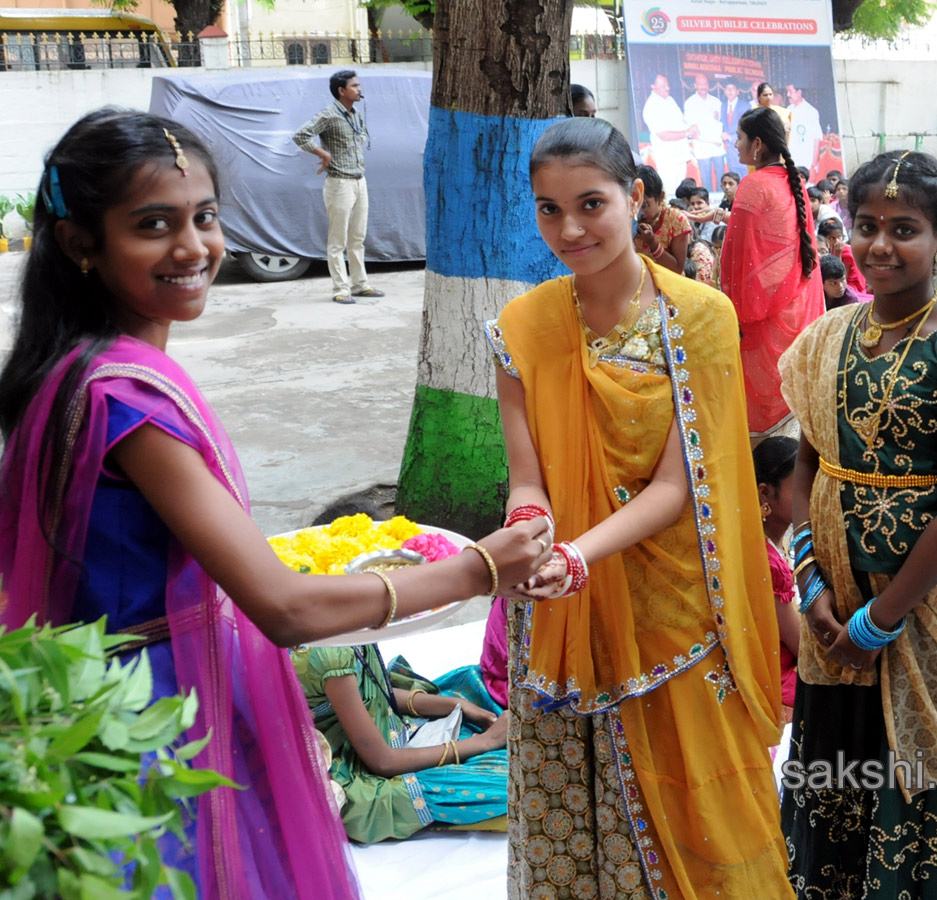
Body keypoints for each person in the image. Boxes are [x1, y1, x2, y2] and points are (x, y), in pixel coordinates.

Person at [0, 109, 553, 899]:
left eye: (205, 217)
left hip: (116, 692)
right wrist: (475, 572)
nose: (192, 248)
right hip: (155, 713)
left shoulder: (71, 370)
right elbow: (284, 609)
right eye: (153, 225)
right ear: (82, 243)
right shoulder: (127, 402)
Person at [486, 116, 792, 899]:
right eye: (549, 210)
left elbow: (674, 488)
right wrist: (531, 528)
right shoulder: (524, 329)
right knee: (574, 814)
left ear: (636, 196)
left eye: (591, 203)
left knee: (708, 821)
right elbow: (528, 478)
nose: (571, 228)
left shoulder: (698, 319)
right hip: (562, 613)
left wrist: (577, 555)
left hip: (676, 609)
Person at [777, 148, 937, 898]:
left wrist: (879, 620)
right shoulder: (828, 337)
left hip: (924, 605)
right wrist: (812, 584)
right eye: (867, 225)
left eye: (904, 229)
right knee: (839, 765)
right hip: (832, 598)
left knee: (924, 770)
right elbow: (809, 469)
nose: (879, 245)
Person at [292, 637, 509, 842]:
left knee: (470, 682)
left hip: (391, 729)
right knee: (510, 782)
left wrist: (457, 705)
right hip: (356, 771)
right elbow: (383, 762)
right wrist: (485, 742)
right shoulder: (329, 653)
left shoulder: (346, 627)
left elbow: (374, 691)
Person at [717, 106, 823, 437]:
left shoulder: (754, 184)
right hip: (797, 313)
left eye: (739, 138)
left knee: (763, 442)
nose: (735, 145)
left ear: (757, 144)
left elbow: (739, 257)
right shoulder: (794, 184)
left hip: (763, 323)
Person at [292, 70, 384, 305]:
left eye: (359, 85)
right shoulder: (330, 114)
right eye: (354, 86)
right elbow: (301, 135)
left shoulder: (355, 115)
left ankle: (360, 285)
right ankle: (340, 288)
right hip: (339, 183)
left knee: (358, 238)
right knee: (338, 240)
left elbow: (360, 138)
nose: (359, 89)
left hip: (359, 181)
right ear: (341, 91)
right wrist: (322, 153)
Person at [752, 435, 802, 724]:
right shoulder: (768, 561)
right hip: (779, 679)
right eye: (799, 488)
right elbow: (799, 646)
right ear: (765, 492)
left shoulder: (773, 545)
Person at [642, 74, 694, 193]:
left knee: (680, 192)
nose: (667, 88)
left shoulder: (670, 100)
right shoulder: (651, 106)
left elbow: (681, 123)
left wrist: (690, 128)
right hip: (668, 158)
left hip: (680, 154)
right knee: (669, 191)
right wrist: (687, 132)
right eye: (663, 86)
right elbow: (663, 135)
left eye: (667, 84)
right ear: (653, 86)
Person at [634, 164, 690, 274]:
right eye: (635, 205)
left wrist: (652, 243)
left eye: (645, 205)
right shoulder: (628, 217)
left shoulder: (676, 220)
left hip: (669, 286)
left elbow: (677, 269)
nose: (640, 212)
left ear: (660, 197)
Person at [684, 73, 724, 191]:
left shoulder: (716, 101)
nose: (703, 86)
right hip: (702, 148)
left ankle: (723, 206)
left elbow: (721, 123)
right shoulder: (690, 103)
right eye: (700, 84)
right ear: (695, 85)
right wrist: (714, 140)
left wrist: (718, 140)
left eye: (705, 83)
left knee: (722, 179)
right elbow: (693, 132)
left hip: (718, 149)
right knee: (706, 181)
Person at [817, 216, 867, 294]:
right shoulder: (822, 250)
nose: (837, 241)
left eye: (839, 237)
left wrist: (838, 254)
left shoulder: (847, 252)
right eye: (832, 238)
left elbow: (840, 277)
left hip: (848, 286)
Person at [785, 81, 821, 172]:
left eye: (790, 91)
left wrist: (813, 166)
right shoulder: (788, 109)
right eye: (787, 91)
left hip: (806, 164)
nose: (787, 94)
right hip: (791, 162)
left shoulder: (811, 111)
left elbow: (817, 140)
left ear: (799, 92)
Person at [720, 80, 751, 177]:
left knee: (746, 182)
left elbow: (748, 128)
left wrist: (730, 137)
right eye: (727, 89)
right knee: (734, 181)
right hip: (730, 153)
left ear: (737, 91)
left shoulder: (745, 106)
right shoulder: (723, 106)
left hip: (742, 150)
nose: (729, 91)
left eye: (732, 89)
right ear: (724, 91)